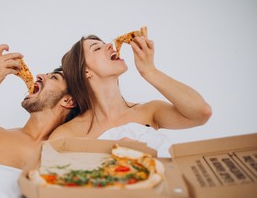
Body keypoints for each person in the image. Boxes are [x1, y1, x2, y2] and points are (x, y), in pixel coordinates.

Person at [49, 34, 212, 155]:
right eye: (97, 48)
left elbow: (200, 113)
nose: (111, 46)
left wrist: (150, 71)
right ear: (86, 71)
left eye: (106, 44)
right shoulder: (67, 134)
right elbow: (54, 179)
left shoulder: (150, 111)